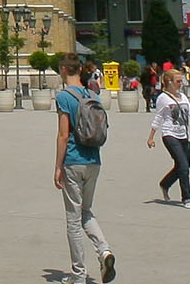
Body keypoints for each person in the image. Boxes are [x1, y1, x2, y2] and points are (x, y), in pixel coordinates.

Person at [53, 56, 115, 284]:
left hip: (73, 161)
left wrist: (57, 166)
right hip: (93, 160)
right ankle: (104, 251)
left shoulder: (63, 96)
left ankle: (78, 275)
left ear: (63, 70)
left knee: (73, 219)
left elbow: (63, 134)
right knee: (87, 212)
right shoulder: (93, 95)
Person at [147, 71, 190, 208]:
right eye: (178, 81)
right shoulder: (163, 98)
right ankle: (187, 198)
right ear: (169, 82)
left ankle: (165, 184)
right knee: (183, 167)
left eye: (181, 81)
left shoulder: (183, 96)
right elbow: (158, 118)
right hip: (169, 135)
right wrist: (151, 137)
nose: (181, 84)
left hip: (184, 135)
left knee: (183, 166)